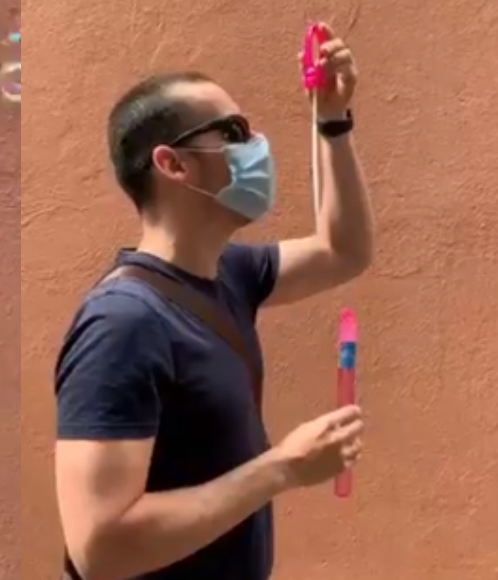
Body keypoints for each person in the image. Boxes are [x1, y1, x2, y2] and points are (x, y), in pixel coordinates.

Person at [54, 25, 373, 580]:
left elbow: (343, 250)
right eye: (233, 132)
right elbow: (99, 550)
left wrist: (332, 121)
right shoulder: (124, 323)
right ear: (172, 164)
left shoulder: (230, 274)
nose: (256, 146)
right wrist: (283, 468)